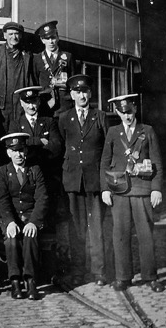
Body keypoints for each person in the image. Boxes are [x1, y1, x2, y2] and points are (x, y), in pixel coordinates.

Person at [100, 94, 165, 292]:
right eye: (122, 112)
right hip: (119, 191)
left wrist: (156, 189)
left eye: (129, 111)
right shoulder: (113, 132)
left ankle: (150, 276)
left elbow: (157, 162)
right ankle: (123, 277)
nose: (127, 116)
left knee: (146, 234)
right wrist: (104, 189)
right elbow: (104, 162)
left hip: (142, 190)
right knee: (120, 235)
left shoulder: (147, 131)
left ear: (135, 109)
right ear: (118, 113)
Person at [58, 74, 108, 286]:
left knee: (96, 227)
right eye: (77, 92)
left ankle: (99, 271)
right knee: (76, 229)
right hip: (73, 181)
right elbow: (63, 145)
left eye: (85, 91)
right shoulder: (64, 118)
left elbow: (107, 149)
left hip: (94, 180)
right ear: (71, 95)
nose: (82, 95)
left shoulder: (100, 116)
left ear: (90, 93)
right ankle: (78, 270)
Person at [0, 133, 48, 300]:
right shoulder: (3, 171)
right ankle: (15, 281)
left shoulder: (35, 170)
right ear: (8, 153)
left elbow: (42, 198)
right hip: (11, 217)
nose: (18, 155)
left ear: (26, 150)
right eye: (14, 151)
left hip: (30, 216)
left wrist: (33, 222)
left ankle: (30, 280)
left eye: (21, 150)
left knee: (30, 236)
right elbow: (2, 200)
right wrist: (10, 222)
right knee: (11, 239)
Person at [11, 87, 64, 234]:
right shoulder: (15, 124)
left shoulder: (48, 122)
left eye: (34, 101)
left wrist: (28, 145)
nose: (31, 106)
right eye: (27, 102)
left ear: (39, 101)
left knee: (48, 218)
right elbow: (14, 151)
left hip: (46, 175)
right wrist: (40, 141)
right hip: (25, 179)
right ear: (21, 103)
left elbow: (56, 148)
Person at [0, 22, 36, 133]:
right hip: (2, 106)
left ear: (20, 36)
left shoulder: (27, 55)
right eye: (10, 34)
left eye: (16, 34)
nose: (13, 37)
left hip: (21, 106)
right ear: (4, 35)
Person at [32, 21, 76, 117]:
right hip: (46, 106)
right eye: (47, 39)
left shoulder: (67, 57)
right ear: (42, 40)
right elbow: (35, 83)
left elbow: (73, 82)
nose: (51, 42)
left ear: (58, 37)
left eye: (53, 37)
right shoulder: (37, 59)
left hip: (65, 107)